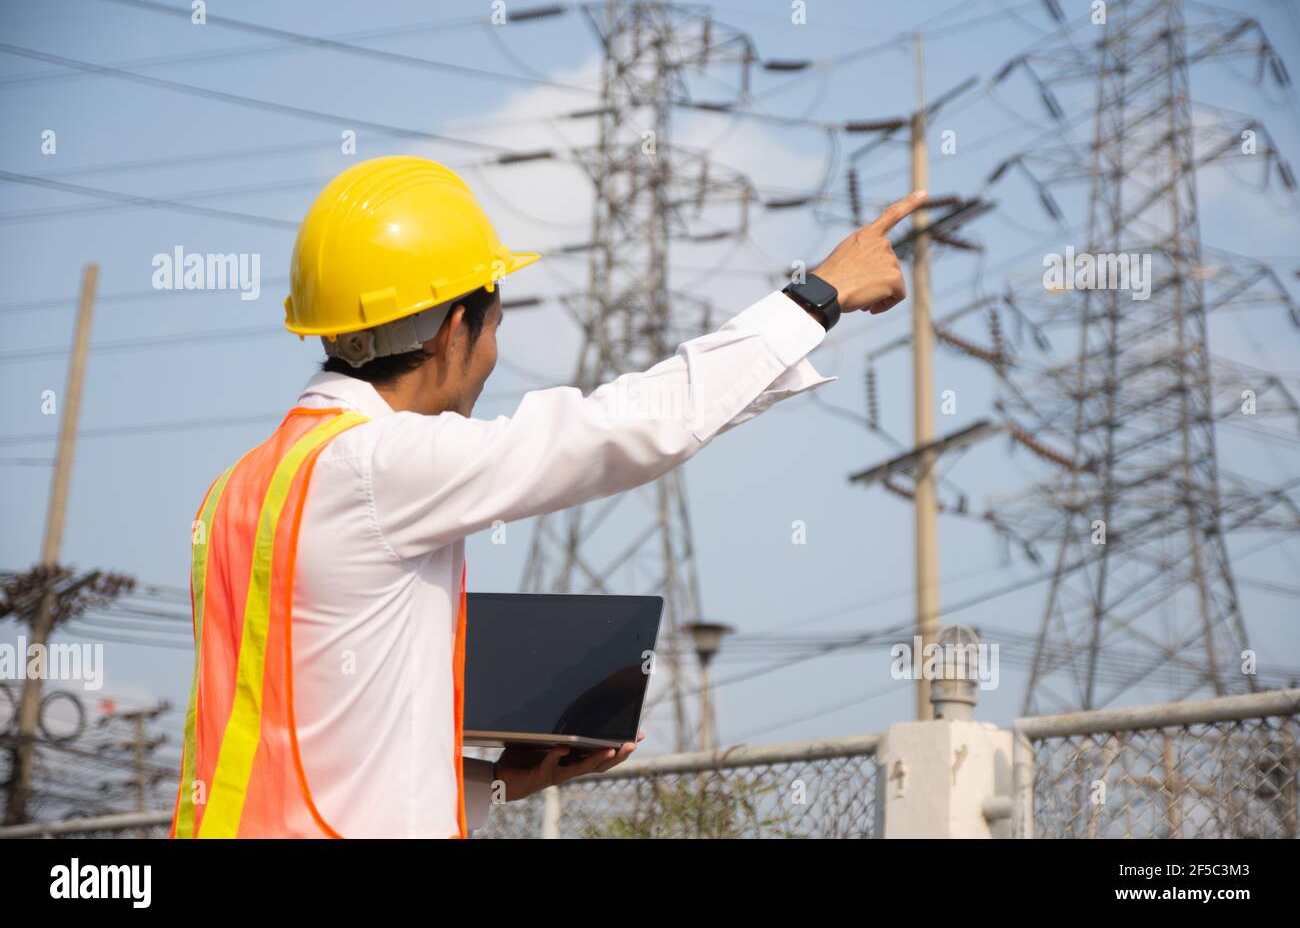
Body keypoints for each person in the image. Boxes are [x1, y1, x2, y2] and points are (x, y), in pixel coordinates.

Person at [170, 156, 926, 838]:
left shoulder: (239, 489)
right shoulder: (378, 465)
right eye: (494, 324)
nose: (492, 355)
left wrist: (498, 782)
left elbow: (322, 750)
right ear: (451, 328)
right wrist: (814, 299)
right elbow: (621, 428)